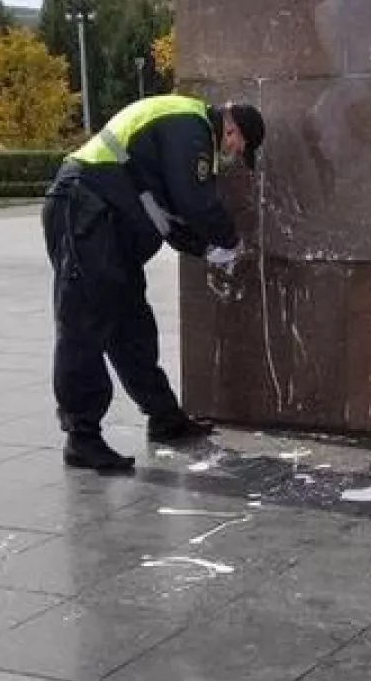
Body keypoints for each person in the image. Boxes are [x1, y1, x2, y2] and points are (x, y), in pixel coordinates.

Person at [42, 94, 265, 472]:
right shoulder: (189, 126)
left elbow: (170, 214)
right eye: (238, 148)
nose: (232, 158)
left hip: (109, 222)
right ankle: (81, 437)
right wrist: (229, 240)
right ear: (231, 129)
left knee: (132, 326)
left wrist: (205, 248)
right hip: (84, 209)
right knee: (84, 325)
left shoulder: (186, 134)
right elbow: (193, 201)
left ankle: (164, 417)